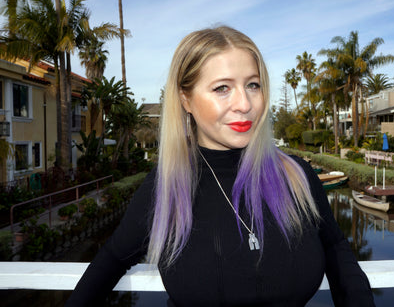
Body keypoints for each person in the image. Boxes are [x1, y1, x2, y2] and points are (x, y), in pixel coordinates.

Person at [66, 26, 375, 306]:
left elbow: (336, 249)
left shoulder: (296, 176)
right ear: (186, 99)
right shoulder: (167, 188)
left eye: (253, 85)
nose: (244, 104)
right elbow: (111, 259)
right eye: (222, 88)